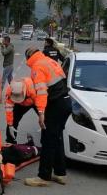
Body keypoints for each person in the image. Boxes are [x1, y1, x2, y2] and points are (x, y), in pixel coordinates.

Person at [23, 46, 71, 187]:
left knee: (48, 139)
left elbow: (42, 92)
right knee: (57, 138)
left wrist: (41, 113)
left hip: (55, 105)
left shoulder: (37, 67)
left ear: (29, 57)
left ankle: (44, 176)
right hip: (65, 101)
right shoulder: (51, 61)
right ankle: (60, 173)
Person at [4, 78, 38, 144]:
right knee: (13, 122)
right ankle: (10, 142)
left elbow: (41, 103)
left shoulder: (33, 89)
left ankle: (47, 142)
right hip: (20, 105)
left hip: (34, 101)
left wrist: (42, 116)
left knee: (47, 121)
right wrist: (10, 125)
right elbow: (9, 110)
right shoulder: (9, 92)